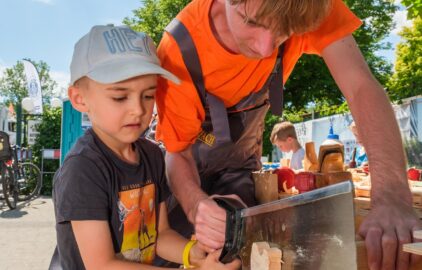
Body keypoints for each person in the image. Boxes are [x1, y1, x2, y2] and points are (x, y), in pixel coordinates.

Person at [155, 0, 422, 268]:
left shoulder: (306, 4)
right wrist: (196, 205)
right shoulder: (180, 49)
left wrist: (392, 196)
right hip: (187, 177)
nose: (265, 47)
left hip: (241, 171)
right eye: (252, 22)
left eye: (285, 30)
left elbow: (360, 86)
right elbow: (178, 154)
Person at [51, 24, 240, 270]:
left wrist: (192, 253)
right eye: (120, 97)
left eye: (148, 95)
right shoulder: (83, 168)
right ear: (79, 99)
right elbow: (101, 265)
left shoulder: (152, 155)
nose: (138, 110)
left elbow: (158, 235)